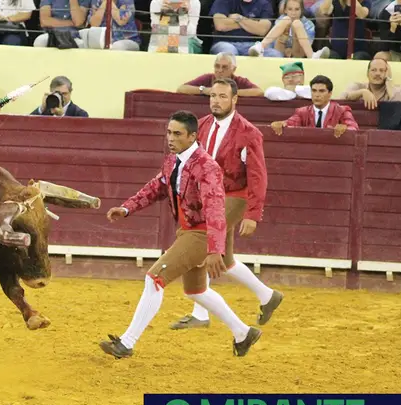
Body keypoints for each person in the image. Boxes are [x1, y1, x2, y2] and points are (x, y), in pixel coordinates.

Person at [99, 110, 262, 359]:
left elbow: (216, 210)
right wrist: (127, 207)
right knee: (196, 291)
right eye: (168, 132)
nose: (170, 138)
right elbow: (157, 187)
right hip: (187, 230)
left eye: (177, 134)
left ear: (193, 136)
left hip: (199, 234)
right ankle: (243, 332)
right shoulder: (172, 160)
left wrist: (214, 249)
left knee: (154, 279)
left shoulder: (207, 167)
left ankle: (127, 342)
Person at [170, 78, 281, 331]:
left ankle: (200, 313)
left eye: (222, 96)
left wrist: (253, 213)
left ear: (234, 100)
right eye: (212, 96)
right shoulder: (202, 125)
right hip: (210, 198)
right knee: (225, 259)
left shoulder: (249, 133)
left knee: (201, 241)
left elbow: (257, 175)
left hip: (235, 197)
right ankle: (267, 296)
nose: (216, 101)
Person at [271, 75, 359, 137]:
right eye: (314, 91)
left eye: (321, 91)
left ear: (330, 94)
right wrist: (282, 123)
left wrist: (345, 129)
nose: (317, 95)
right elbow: (291, 122)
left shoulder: (342, 111)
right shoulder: (302, 112)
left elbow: (354, 127)